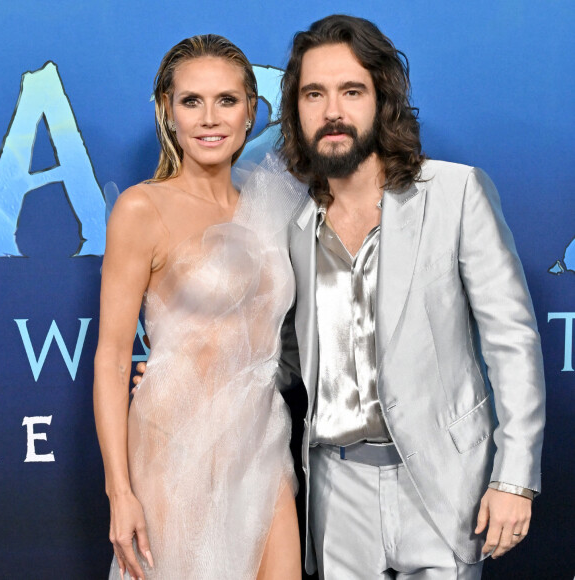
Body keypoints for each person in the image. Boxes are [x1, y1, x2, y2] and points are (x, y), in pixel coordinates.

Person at [275, 14, 546, 579]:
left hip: (445, 483)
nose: (332, 112)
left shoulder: (454, 192)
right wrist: (193, 375)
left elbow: (511, 343)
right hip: (335, 484)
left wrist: (513, 477)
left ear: (383, 98)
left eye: (352, 91)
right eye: (314, 94)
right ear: (296, 110)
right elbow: (286, 360)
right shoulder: (293, 227)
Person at [93, 34, 303, 580]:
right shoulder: (142, 208)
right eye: (191, 101)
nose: (210, 119)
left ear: (253, 111)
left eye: (227, 101)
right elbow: (113, 357)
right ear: (167, 110)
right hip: (174, 449)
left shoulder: (275, 202)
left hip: (262, 443)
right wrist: (120, 493)